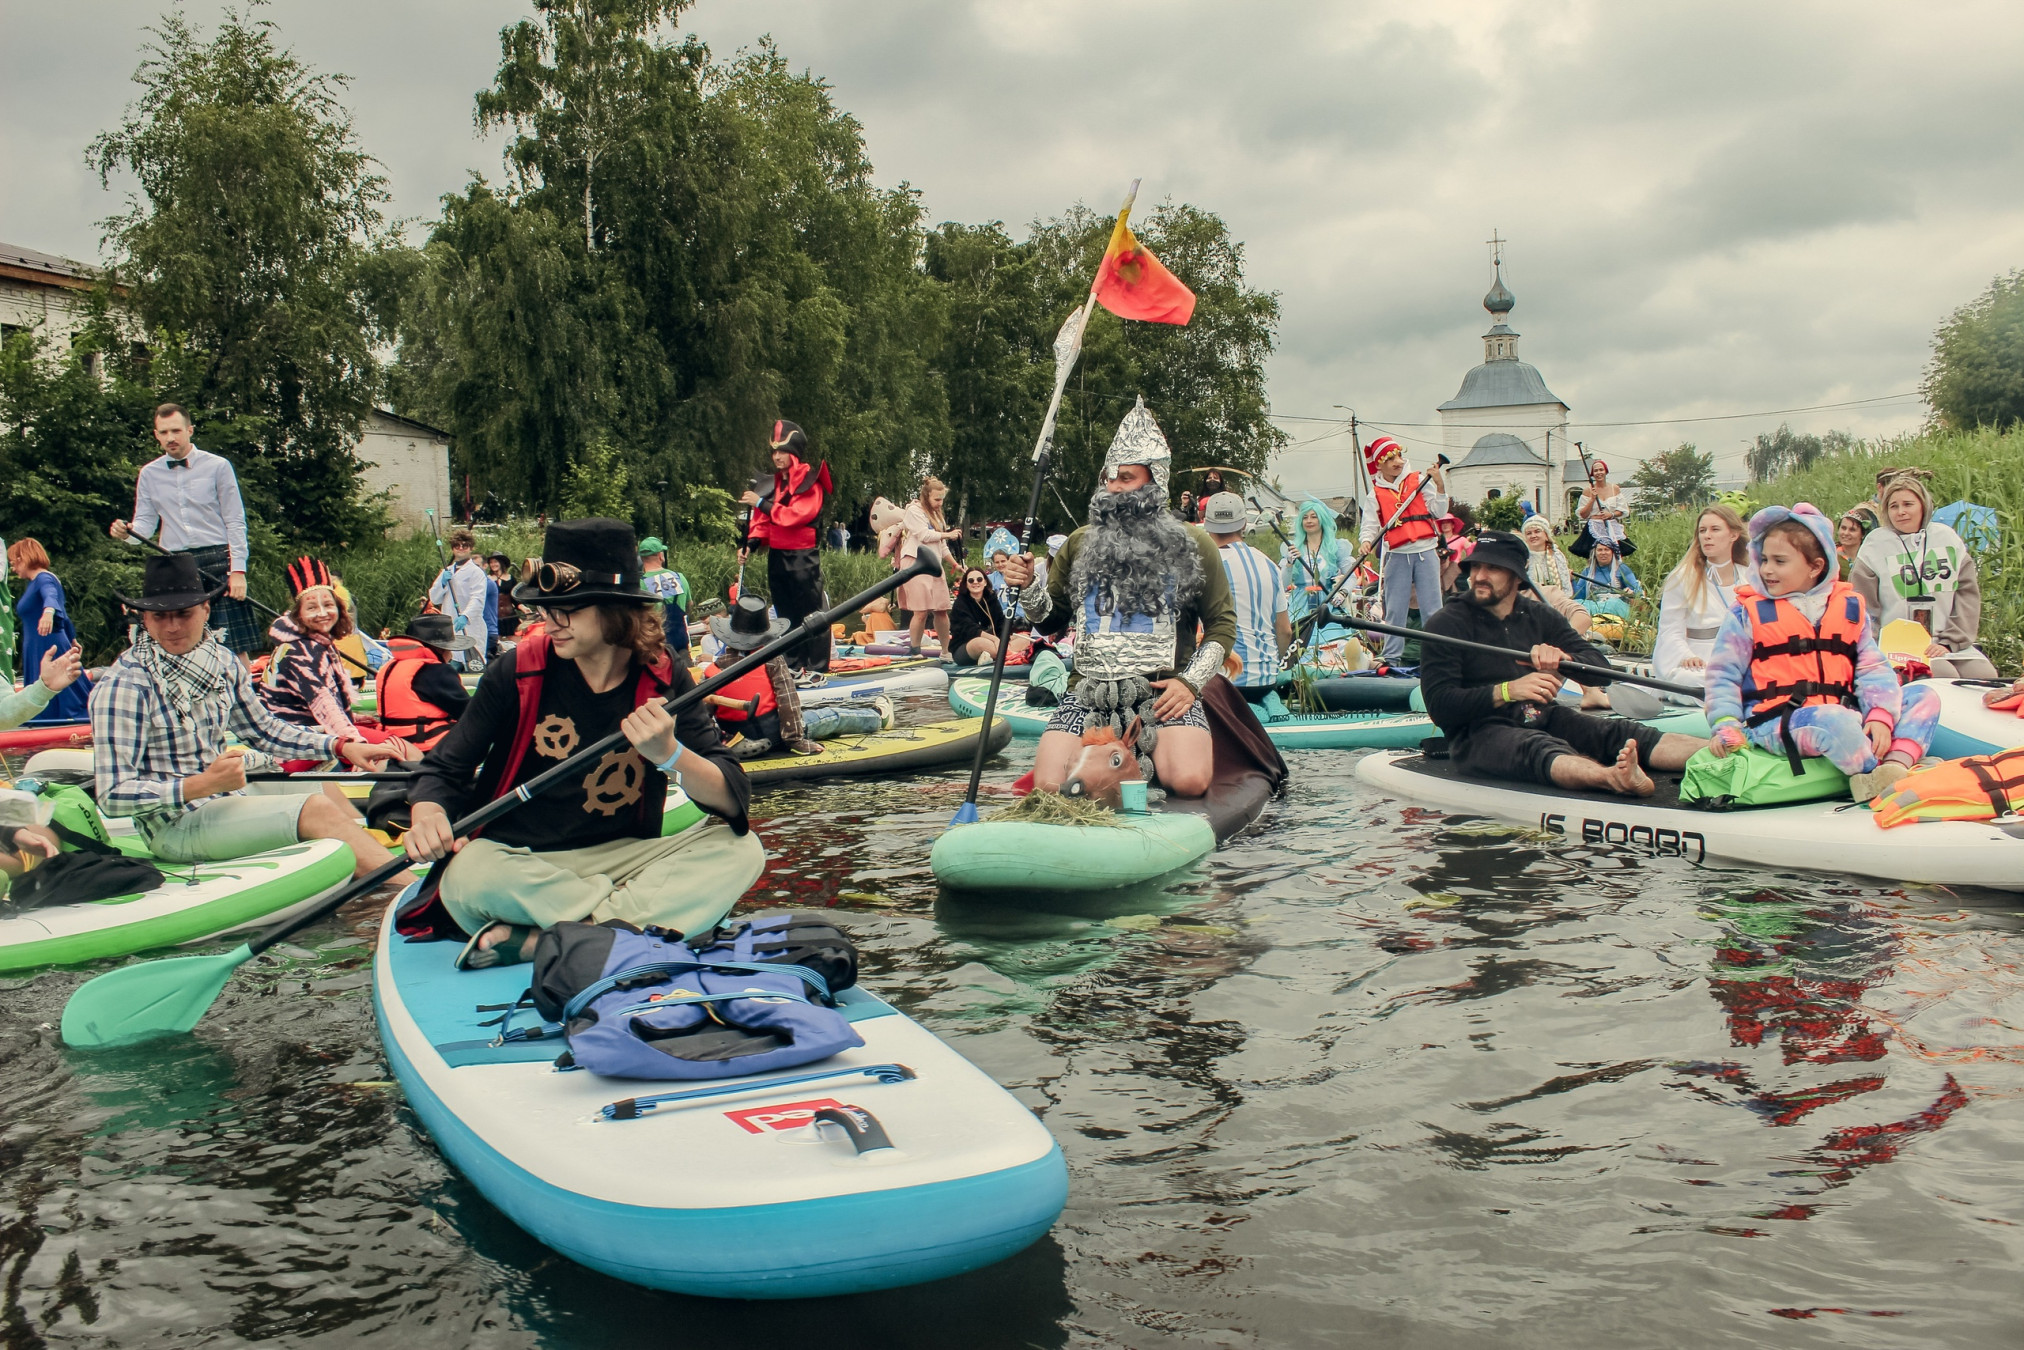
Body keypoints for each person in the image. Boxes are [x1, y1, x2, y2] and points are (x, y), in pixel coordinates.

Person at [401, 518, 767, 967]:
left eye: (567, 609)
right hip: (521, 862)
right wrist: (427, 813)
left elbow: (732, 799)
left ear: (614, 608)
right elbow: (442, 770)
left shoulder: (663, 672)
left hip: (621, 860)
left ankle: (550, 940)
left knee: (741, 850)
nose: (549, 621)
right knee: (469, 875)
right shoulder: (516, 672)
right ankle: (632, 926)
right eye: (543, 608)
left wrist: (672, 756)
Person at [90, 554, 400, 873]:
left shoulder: (221, 661)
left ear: (205, 610)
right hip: (175, 825)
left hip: (224, 797)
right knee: (314, 809)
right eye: (160, 617)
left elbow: (264, 731)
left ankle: (368, 857)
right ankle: (406, 890)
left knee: (315, 784)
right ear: (145, 619)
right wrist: (199, 785)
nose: (172, 627)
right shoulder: (125, 685)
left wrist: (342, 745)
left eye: (183, 614)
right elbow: (112, 796)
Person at [996, 398, 1234, 797]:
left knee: (1189, 781)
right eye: (1110, 478)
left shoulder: (1194, 542)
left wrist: (1190, 685)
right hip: (1088, 691)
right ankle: (1114, 767)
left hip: (1163, 691)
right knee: (1050, 785)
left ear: (1154, 482)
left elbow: (1222, 626)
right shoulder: (1079, 542)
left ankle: (1142, 767)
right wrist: (1029, 587)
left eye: (1127, 478)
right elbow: (1050, 621)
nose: (1115, 487)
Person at [1420, 530, 1704, 796]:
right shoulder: (1447, 623)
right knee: (1538, 747)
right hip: (1478, 733)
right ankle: (1613, 778)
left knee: (1618, 733)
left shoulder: (1539, 615)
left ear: (1518, 577)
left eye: (1492, 568)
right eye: (1476, 567)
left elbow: (1600, 669)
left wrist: (1565, 660)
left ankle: (1722, 751)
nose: (1480, 576)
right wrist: (1507, 691)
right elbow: (1441, 708)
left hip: (1540, 715)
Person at [1705, 504, 1941, 802]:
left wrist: (1880, 716)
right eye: (1764, 559)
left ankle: (1894, 767)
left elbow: (1872, 669)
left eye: (1779, 561)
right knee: (1835, 720)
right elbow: (1722, 675)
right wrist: (1725, 723)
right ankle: (1871, 773)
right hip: (1778, 720)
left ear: (1815, 567)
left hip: (1844, 711)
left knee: (1924, 696)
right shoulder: (1745, 613)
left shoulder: (1850, 608)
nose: (1767, 569)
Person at [110, 403, 262, 664]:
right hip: (175, 562)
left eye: (176, 431)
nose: (170, 438)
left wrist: (238, 571)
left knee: (233, 645)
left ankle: (240, 701)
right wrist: (127, 533)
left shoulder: (218, 466)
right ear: (156, 435)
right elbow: (144, 527)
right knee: (179, 641)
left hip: (218, 559)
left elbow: (235, 521)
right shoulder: (148, 473)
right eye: (164, 432)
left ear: (190, 430)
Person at [260, 556, 418, 761]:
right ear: (298, 614)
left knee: (374, 730)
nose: (323, 613)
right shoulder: (305, 651)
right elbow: (323, 703)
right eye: (312, 608)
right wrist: (355, 742)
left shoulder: (305, 642)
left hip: (299, 735)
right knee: (404, 750)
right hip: (297, 746)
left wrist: (353, 719)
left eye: (328, 605)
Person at [1850, 473, 1998, 679]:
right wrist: (1870, 648)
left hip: (1947, 639)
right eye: (1893, 506)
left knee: (1986, 676)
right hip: (1898, 641)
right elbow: (1863, 603)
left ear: (1923, 505)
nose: (1901, 512)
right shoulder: (1875, 545)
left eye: (1908, 504)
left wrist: (1950, 641)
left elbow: (1967, 596)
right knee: (1943, 675)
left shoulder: (1946, 538)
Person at [701, 595, 890, 756]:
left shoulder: (713, 669)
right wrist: (795, 741)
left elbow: (702, 715)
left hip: (736, 737)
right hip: (775, 734)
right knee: (830, 716)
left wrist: (716, 743)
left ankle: (730, 742)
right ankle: (879, 716)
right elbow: (788, 702)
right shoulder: (771, 659)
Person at [738, 419, 833, 686]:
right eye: (774, 451)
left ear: (794, 452)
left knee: (811, 611)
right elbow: (764, 524)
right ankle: (793, 664)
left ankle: (817, 667)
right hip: (778, 557)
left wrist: (759, 502)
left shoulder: (811, 483)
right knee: (785, 613)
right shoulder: (775, 484)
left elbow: (794, 516)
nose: (776, 456)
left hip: (803, 557)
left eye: (782, 451)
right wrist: (751, 544)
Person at [1358, 435, 1449, 662]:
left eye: (1398, 455)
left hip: (1425, 551)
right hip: (1397, 555)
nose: (1397, 461)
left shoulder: (1419, 480)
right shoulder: (1375, 494)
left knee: (1433, 610)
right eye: (1390, 459)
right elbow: (1369, 525)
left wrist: (1439, 485)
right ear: (1380, 464)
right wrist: (1366, 541)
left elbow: (1438, 511)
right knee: (1396, 610)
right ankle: (1391, 657)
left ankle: (1438, 657)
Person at [1204, 492, 1290, 698]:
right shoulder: (1269, 564)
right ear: (1243, 524)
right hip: (1266, 680)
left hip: (1224, 684)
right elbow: (1285, 631)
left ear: (1206, 525)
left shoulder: (1206, 564)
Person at [1653, 505, 1748, 686]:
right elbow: (1670, 629)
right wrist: (1686, 656)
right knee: (1690, 679)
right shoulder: (1682, 578)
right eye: (1702, 531)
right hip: (1699, 660)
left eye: (1715, 529)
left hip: (1741, 655)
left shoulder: (1750, 576)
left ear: (1733, 535)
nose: (1707, 536)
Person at [8, 538, 91, 723]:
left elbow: (51, 596)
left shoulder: (44, 578)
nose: (13, 569)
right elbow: (65, 616)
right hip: (40, 644)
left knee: (62, 689)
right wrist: (72, 638)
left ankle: (64, 722)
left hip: (46, 644)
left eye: (14, 563)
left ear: (24, 558)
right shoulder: (34, 582)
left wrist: (48, 611)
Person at [375, 614, 473, 752]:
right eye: (450, 648)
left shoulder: (389, 667)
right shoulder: (437, 671)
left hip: (393, 743)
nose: (451, 655)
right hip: (428, 746)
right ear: (440, 649)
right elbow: (468, 712)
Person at [894, 477, 960, 653]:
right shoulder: (914, 511)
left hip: (933, 564)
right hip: (915, 562)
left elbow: (941, 545)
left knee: (942, 609)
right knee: (921, 611)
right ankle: (915, 651)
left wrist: (955, 564)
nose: (940, 503)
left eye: (942, 499)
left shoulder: (937, 515)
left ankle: (946, 652)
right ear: (926, 496)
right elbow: (924, 535)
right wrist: (948, 535)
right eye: (937, 499)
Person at [1281, 497, 1356, 631]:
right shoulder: (1292, 548)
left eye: (1313, 517)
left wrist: (1342, 593)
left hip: (1328, 605)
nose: (1309, 521)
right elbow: (1282, 583)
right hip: (1299, 606)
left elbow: (1351, 576)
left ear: (1322, 519)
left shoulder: (1336, 547)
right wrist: (1289, 564)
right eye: (1305, 517)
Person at [428, 527, 490, 671]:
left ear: (471, 548)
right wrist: (442, 583)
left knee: (474, 670)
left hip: (471, 628)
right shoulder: (446, 571)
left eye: (465, 546)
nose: (461, 548)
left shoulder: (477, 573)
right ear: (452, 549)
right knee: (451, 669)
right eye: (457, 546)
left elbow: (478, 599)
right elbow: (434, 598)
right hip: (450, 630)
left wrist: (465, 616)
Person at [1519, 516, 1593, 635]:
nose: (1533, 536)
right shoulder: (1523, 558)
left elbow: (1565, 586)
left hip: (1555, 602)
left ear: (1546, 534)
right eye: (1529, 533)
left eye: (1537, 531)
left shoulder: (1557, 555)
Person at [951, 567, 1032, 665]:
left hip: (995, 641)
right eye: (971, 580)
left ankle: (1002, 653)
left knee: (1025, 638)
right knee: (981, 643)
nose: (975, 582)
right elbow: (971, 630)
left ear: (985, 582)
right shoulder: (960, 603)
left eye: (979, 579)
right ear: (966, 584)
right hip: (967, 645)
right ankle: (1010, 653)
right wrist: (995, 639)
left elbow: (1000, 623)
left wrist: (1004, 638)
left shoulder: (991, 599)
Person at [637, 537, 690, 659]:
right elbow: (689, 605)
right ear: (661, 556)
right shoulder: (679, 577)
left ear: (641, 558)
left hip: (657, 646)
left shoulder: (640, 584)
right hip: (681, 641)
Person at [1574, 459, 1633, 558]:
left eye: (1601, 470)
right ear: (1592, 474)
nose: (1598, 473)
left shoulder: (1615, 489)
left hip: (1611, 526)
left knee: (1614, 554)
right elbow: (1583, 514)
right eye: (1596, 471)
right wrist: (1592, 499)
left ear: (1606, 471)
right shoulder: (1587, 491)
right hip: (1594, 526)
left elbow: (1623, 510)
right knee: (1595, 556)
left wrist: (1611, 514)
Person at [1571, 541, 1643, 619]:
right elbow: (1579, 596)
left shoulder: (1622, 569)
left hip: (1617, 606)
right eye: (1600, 550)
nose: (1603, 553)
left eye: (1606, 549)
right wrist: (1572, 580)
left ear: (1613, 552)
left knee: (1613, 603)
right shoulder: (1588, 571)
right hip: (1595, 606)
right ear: (1594, 552)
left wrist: (1630, 593)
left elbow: (1637, 591)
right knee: (1575, 604)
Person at [487, 552, 524, 643]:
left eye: (495, 562)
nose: (493, 564)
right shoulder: (486, 579)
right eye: (491, 562)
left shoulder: (510, 578)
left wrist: (523, 608)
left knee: (517, 644)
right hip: (494, 617)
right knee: (495, 645)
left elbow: (515, 598)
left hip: (510, 617)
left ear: (501, 563)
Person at [1835, 503, 1880, 577]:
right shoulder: (1832, 556)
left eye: (1852, 530)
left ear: (1862, 534)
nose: (1846, 533)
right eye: (1843, 528)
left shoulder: (1869, 557)